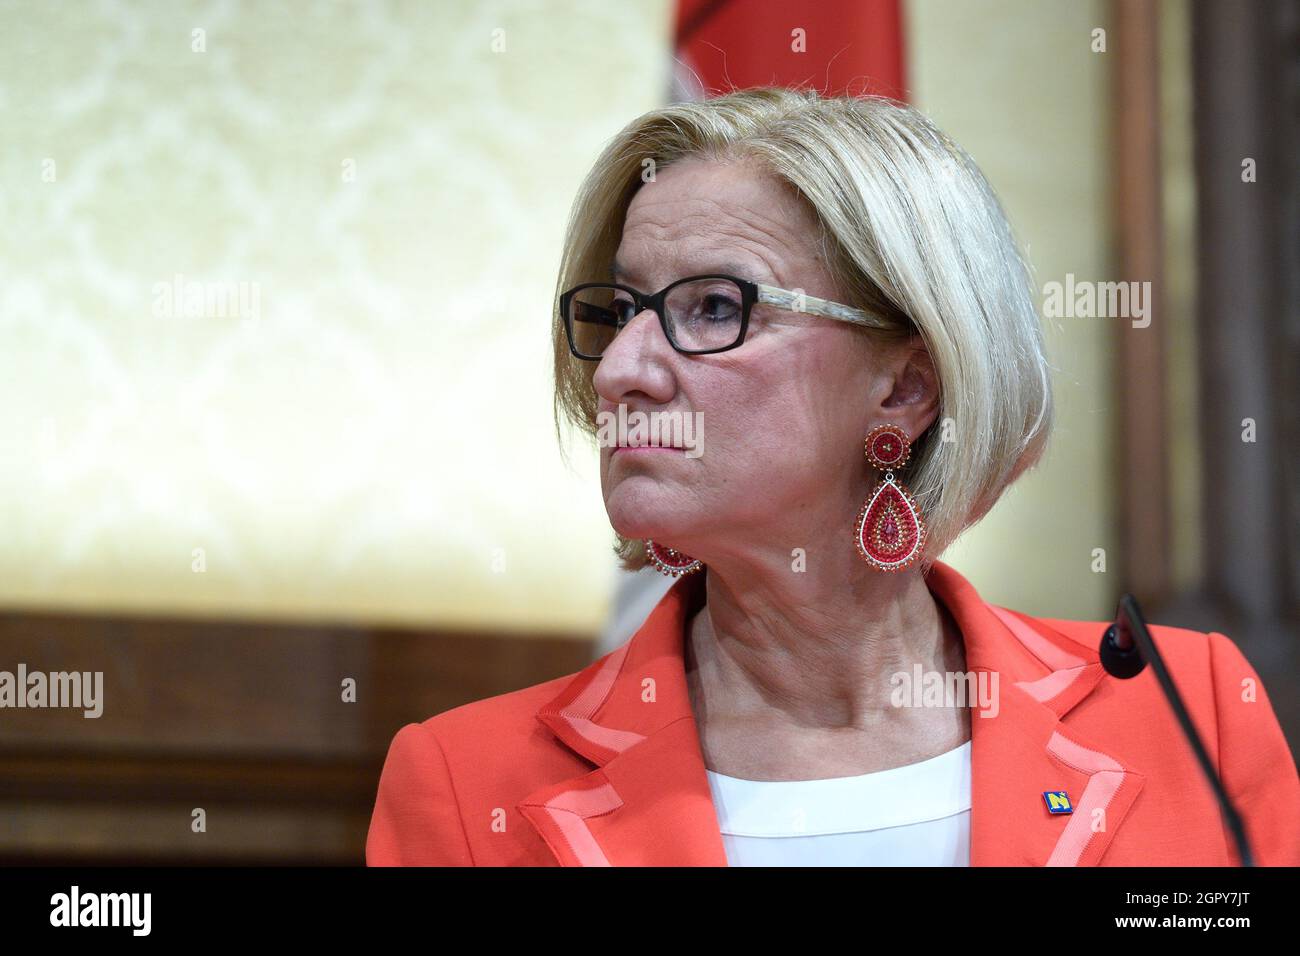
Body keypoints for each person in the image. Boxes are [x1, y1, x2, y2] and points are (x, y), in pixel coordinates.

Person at [366, 87, 1299, 866]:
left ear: (906, 384)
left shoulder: (1189, 713)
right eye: (619, 312)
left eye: (716, 307)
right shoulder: (466, 784)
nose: (619, 371)